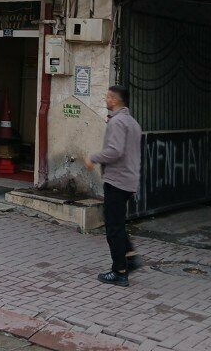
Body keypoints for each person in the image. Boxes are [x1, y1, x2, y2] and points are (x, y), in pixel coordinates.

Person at [85, 84, 142, 287]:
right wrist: (134, 181)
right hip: (127, 180)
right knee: (118, 223)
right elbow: (133, 155)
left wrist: (93, 157)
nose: (106, 99)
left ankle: (119, 271)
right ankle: (131, 258)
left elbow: (115, 151)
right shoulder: (133, 123)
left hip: (117, 180)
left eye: (108, 97)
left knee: (113, 228)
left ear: (115, 100)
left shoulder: (118, 123)